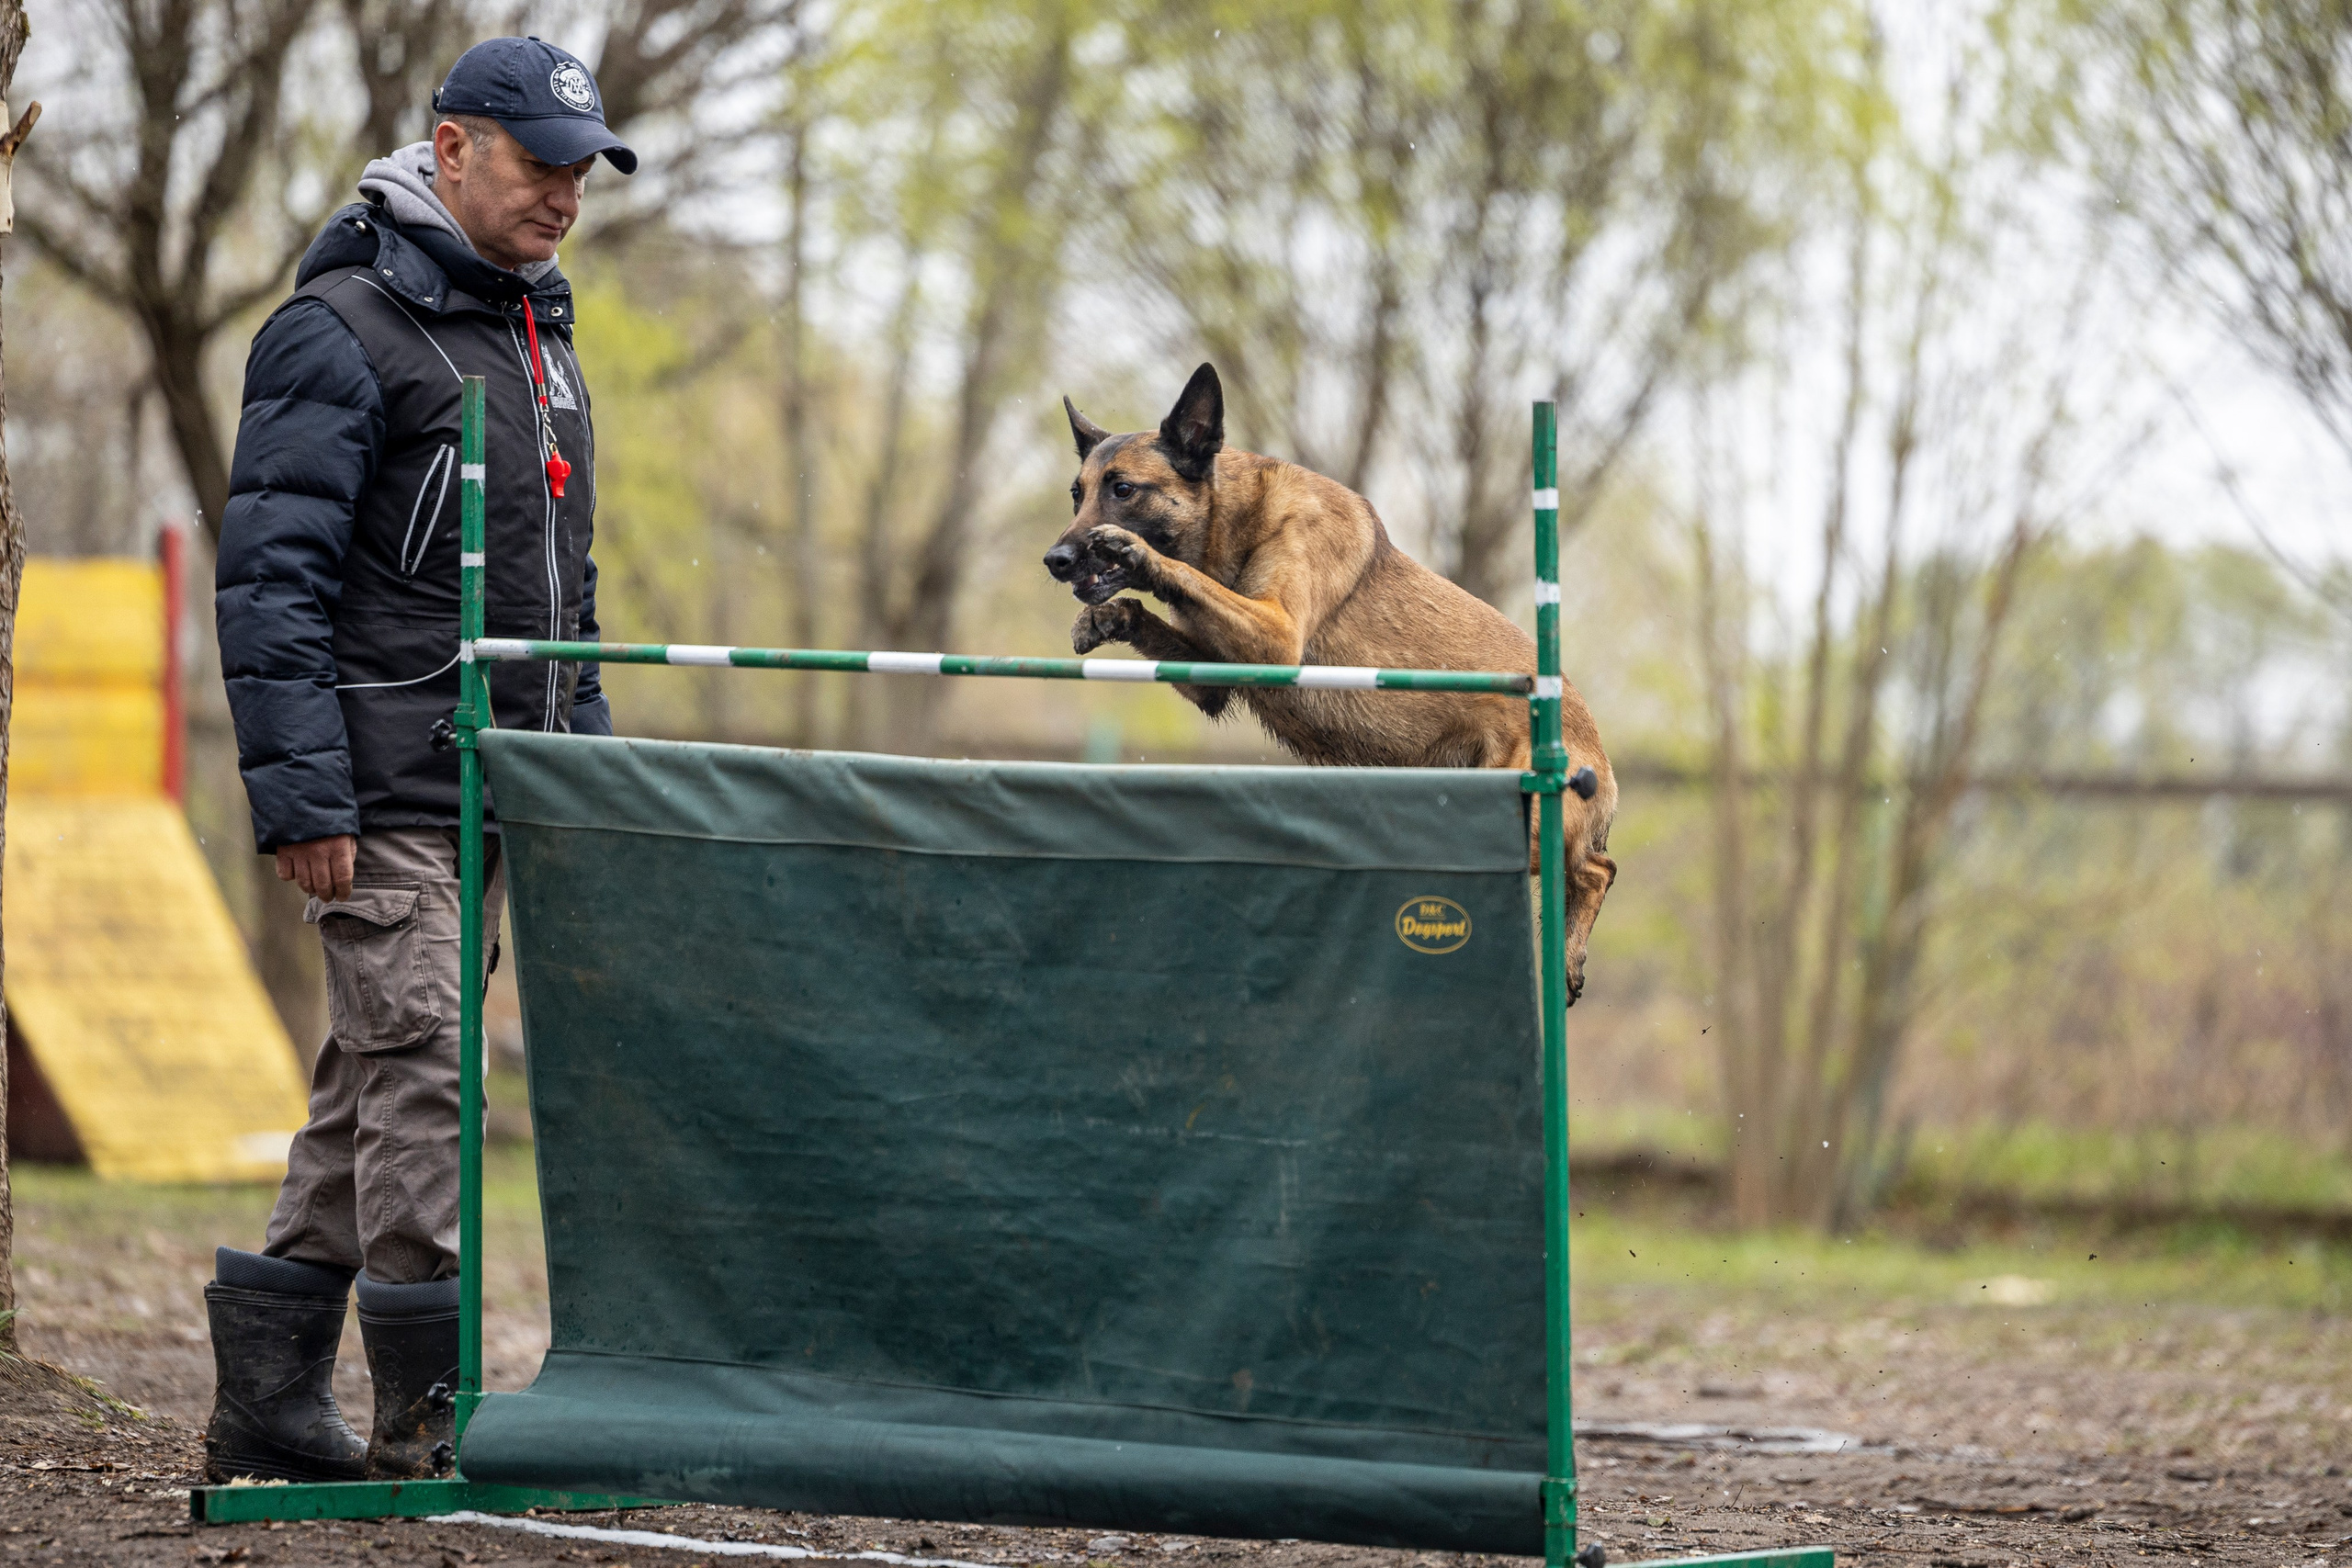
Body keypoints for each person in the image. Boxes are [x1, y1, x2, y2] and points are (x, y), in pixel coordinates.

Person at [204, 37, 632, 1484]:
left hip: (501, 791)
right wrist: (302, 799)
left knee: (370, 1090)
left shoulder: (543, 342)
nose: (565, 196)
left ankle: (265, 1401)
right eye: (538, 163)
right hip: (382, 792)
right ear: (451, 149)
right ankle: (423, 1419)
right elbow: (269, 587)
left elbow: (570, 601)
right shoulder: (337, 329)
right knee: (434, 1081)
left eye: (583, 170)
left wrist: (582, 778)